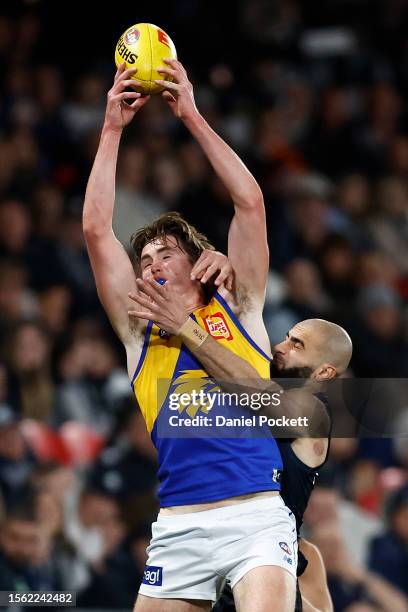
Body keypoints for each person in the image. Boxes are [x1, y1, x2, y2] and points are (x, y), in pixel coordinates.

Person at [83, 60, 297, 612]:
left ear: (196, 260)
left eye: (165, 252)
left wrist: (193, 118)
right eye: (144, 257)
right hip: (179, 525)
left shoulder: (239, 305)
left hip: (254, 515)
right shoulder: (137, 333)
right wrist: (111, 130)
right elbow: (94, 229)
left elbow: (250, 203)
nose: (151, 263)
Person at [128, 274, 354, 612]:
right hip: (207, 541)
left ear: (324, 374)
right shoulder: (247, 379)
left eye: (297, 346)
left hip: (263, 553)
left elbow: (259, 392)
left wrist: (186, 326)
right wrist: (218, 273)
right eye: (287, 338)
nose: (281, 346)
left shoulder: (312, 413)